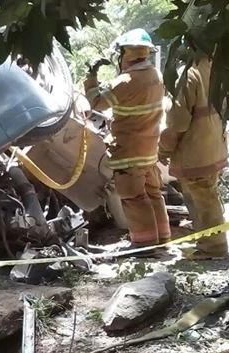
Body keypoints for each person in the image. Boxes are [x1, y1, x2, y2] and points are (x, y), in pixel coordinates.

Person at [83, 28, 170, 255]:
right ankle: (162, 238)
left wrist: (91, 75)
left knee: (134, 196)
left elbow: (96, 103)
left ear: (125, 54)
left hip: (129, 149)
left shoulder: (125, 81)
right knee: (153, 193)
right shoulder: (155, 76)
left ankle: (144, 244)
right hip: (149, 149)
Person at [159, 53, 229, 260]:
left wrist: (163, 149)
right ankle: (208, 243)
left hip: (195, 149)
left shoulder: (188, 74)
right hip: (214, 144)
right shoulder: (215, 67)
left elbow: (177, 122)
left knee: (203, 201)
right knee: (208, 197)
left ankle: (213, 248)